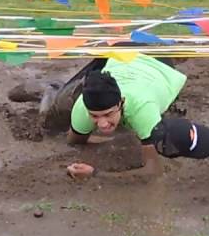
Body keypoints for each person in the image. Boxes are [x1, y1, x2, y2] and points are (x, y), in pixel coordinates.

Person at [50, 54, 192, 179]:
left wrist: (96, 174)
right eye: (94, 116)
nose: (102, 124)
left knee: (157, 126)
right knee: (61, 102)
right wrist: (110, 140)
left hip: (159, 62)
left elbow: (154, 171)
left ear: (121, 102)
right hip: (123, 53)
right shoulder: (81, 108)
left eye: (108, 114)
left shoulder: (143, 110)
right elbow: (75, 141)